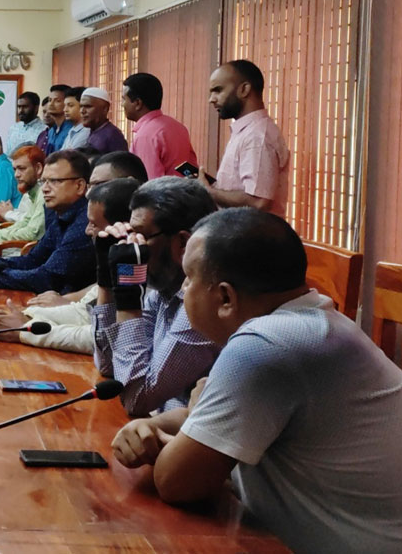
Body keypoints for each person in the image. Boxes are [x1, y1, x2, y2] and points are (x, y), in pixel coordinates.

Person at [112, 208, 402, 553]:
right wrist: (150, 427)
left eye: (189, 278)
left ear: (225, 298)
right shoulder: (312, 320)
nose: (183, 289)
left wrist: (186, 424)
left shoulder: (266, 345)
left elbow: (176, 482)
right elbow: (215, 417)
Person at [92, 177, 219, 416]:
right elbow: (110, 366)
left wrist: (128, 292)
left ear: (183, 243)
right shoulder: (162, 292)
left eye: (140, 235)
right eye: (129, 233)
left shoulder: (205, 305)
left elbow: (137, 397)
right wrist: (106, 281)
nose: (132, 245)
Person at [0, 177, 141, 355]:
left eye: (54, 181)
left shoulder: (136, 268)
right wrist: (27, 316)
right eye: (43, 181)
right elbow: (85, 311)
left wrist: (25, 329)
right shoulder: (65, 218)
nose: (87, 231)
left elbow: (102, 340)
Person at [0, 150, 95, 294]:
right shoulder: (61, 216)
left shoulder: (85, 224)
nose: (45, 189)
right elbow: (32, 260)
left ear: (79, 186)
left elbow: (47, 279)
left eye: (54, 181)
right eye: (43, 181)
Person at [199, 60, 290, 216]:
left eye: (218, 90)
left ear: (244, 90)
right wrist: (214, 188)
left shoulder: (257, 136)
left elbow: (258, 202)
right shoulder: (247, 132)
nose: (211, 99)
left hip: (250, 231)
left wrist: (208, 192)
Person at [123, 73, 198, 179]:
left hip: (164, 189)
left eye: (123, 99)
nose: (122, 104)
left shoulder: (145, 136)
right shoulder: (178, 127)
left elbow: (150, 182)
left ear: (138, 103)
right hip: (185, 188)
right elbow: (191, 170)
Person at [0, 145, 46, 251]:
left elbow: (33, 233)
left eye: (22, 169)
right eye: (15, 169)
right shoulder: (33, 193)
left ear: (38, 168)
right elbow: (24, 223)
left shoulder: (44, 193)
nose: (16, 175)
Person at [80, 87, 129, 154]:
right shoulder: (93, 131)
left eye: (88, 106)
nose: (82, 111)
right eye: (81, 106)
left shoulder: (113, 135)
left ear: (105, 109)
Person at [4, 91, 46, 155]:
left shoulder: (44, 129)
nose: (21, 111)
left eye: (25, 107)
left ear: (36, 108)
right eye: (19, 107)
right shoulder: (13, 128)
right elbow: (8, 154)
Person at [36, 85, 71, 155]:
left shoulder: (71, 130)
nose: (51, 104)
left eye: (57, 101)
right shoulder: (51, 131)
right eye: (49, 100)